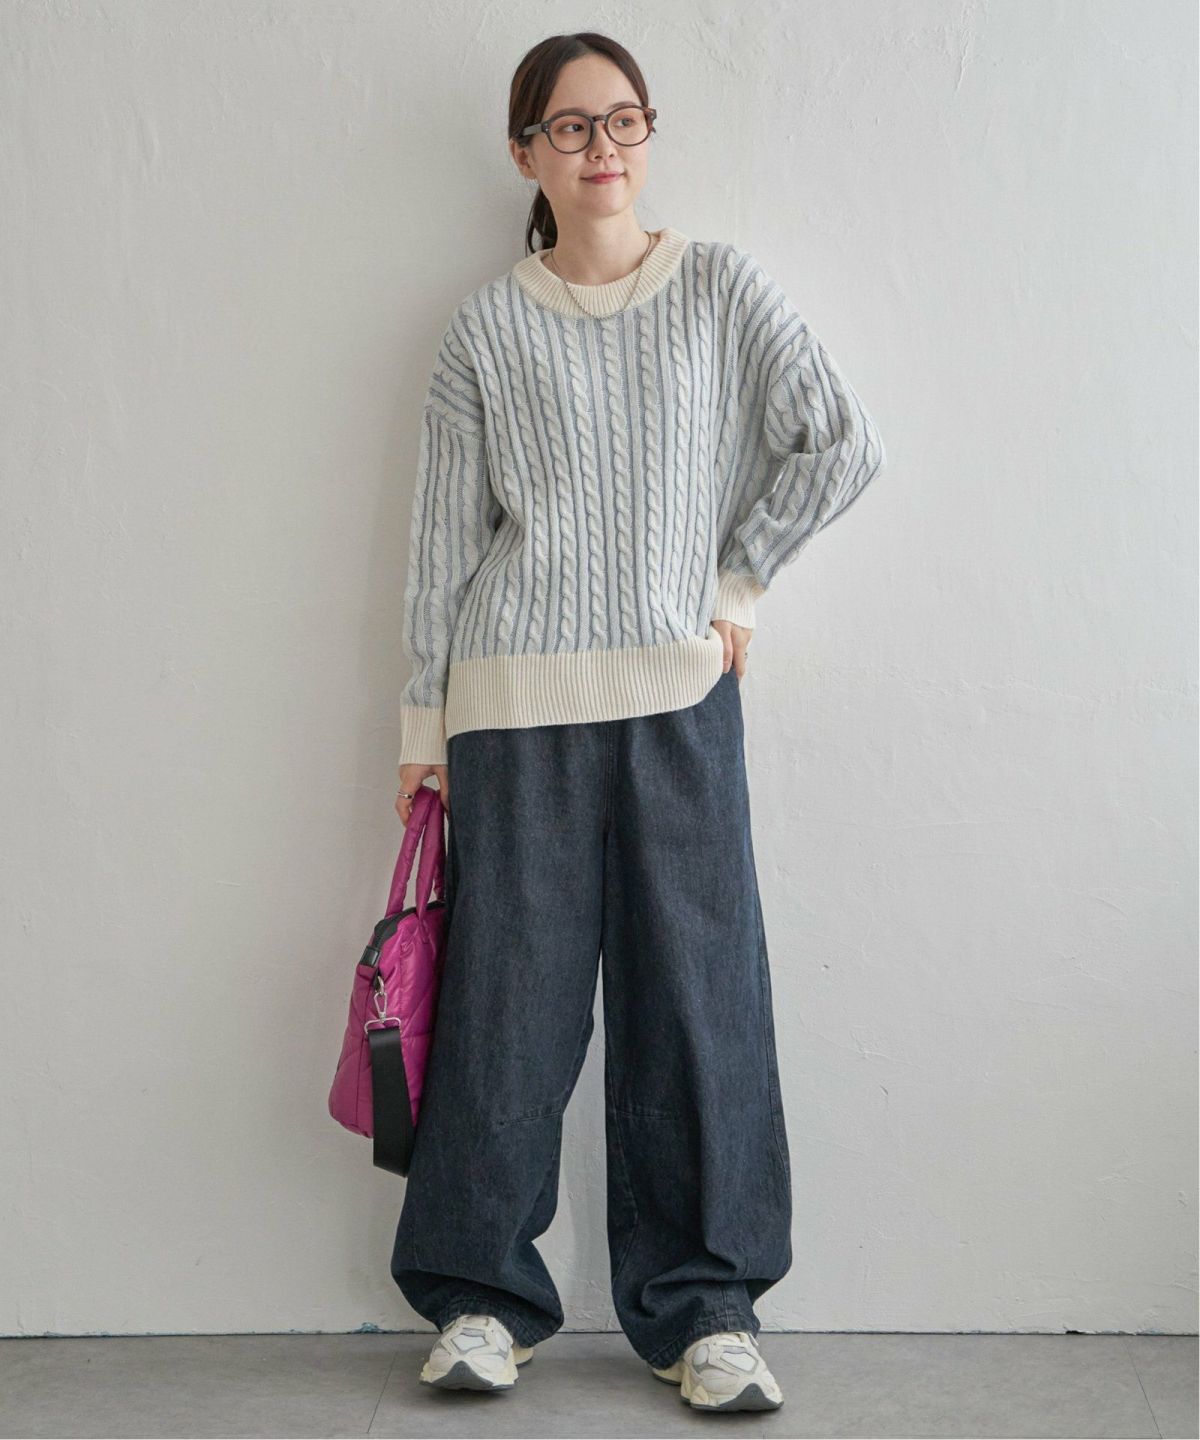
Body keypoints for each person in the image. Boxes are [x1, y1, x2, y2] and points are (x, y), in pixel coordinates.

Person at [388, 30, 886, 1414]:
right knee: (508, 1006)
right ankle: (482, 1299)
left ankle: (705, 1310)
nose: (601, 147)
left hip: (677, 699)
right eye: (569, 126)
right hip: (513, 708)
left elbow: (841, 440)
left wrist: (737, 582)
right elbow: (442, 545)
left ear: (648, 135)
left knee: (699, 1003)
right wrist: (421, 737)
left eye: (622, 121)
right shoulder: (485, 328)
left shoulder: (721, 287)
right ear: (525, 153)